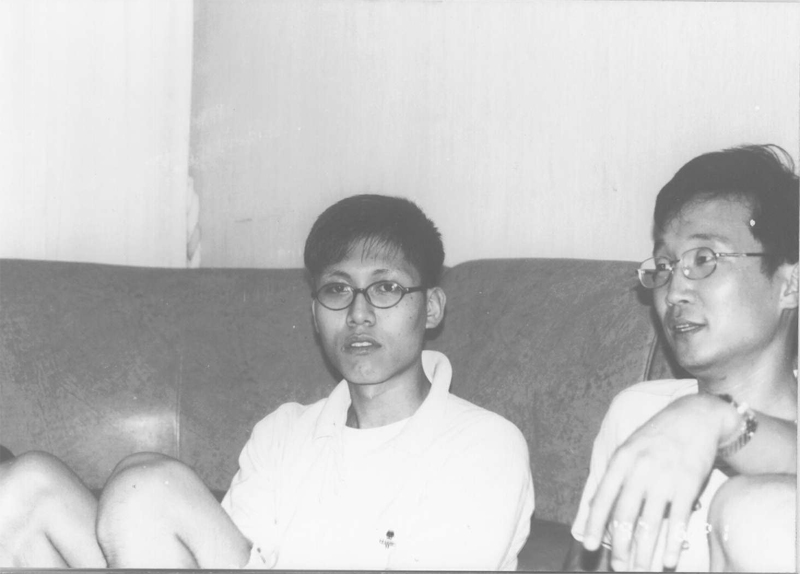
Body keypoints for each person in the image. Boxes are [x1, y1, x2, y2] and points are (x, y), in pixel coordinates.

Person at [0, 194, 534, 569]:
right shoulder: (285, 433)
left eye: (386, 288)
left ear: (432, 306)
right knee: (32, 487)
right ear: (315, 312)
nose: (359, 314)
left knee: (141, 488)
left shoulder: (483, 444)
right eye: (337, 290)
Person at [565, 144, 798, 572]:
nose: (673, 293)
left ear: (790, 285)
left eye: (704, 259)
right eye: (664, 265)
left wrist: (717, 418)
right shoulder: (639, 413)